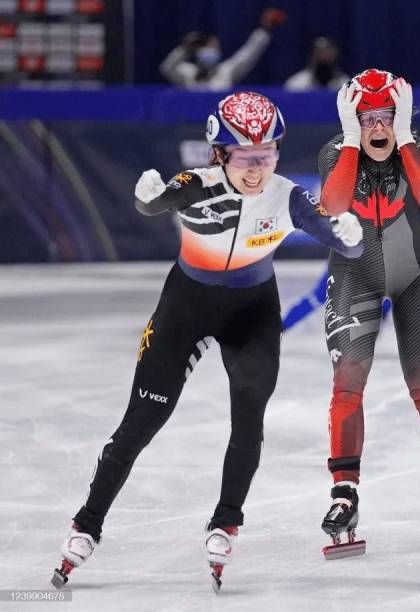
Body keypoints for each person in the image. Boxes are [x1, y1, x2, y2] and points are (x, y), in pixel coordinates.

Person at [52, 92, 364, 592]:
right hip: (185, 310)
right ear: (220, 154)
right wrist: (148, 197)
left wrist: (349, 235)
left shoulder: (286, 195)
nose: (258, 169)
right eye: (246, 158)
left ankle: (225, 520)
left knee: (249, 416)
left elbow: (335, 236)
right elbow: (156, 203)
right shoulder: (198, 183)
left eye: (267, 156)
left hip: (253, 314)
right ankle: (87, 523)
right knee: (141, 422)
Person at [316, 69, 420, 558]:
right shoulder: (335, 152)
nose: (377, 127)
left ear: (400, 117)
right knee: (347, 383)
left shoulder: (418, 149)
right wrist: (350, 140)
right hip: (356, 276)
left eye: (386, 116)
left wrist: (407, 137)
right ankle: (343, 495)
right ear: (352, 119)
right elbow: (333, 204)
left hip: (415, 277)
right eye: (365, 117)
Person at [159, 8, 287, 90]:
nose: (209, 50)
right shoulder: (188, 72)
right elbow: (166, 68)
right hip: (191, 125)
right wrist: (185, 48)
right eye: (206, 47)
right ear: (197, 51)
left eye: (214, 47)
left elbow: (249, 54)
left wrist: (265, 29)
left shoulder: (227, 71)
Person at [284, 36, 349, 91]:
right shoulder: (296, 84)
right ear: (312, 56)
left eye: (328, 54)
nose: (324, 58)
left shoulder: (345, 83)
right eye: (320, 53)